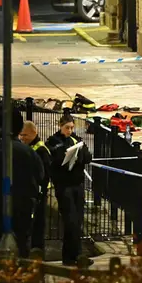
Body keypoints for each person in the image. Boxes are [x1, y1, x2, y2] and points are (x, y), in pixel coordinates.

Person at [0, 108, 45, 258]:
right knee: (22, 245)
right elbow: (40, 175)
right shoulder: (28, 152)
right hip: (24, 206)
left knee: (0, 245)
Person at [46, 114, 93, 266]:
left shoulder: (77, 140)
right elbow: (57, 160)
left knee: (77, 221)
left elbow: (87, 156)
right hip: (63, 186)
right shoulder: (53, 141)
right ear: (60, 126)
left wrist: (79, 156)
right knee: (70, 221)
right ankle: (75, 255)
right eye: (67, 128)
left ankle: (72, 256)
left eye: (72, 128)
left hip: (77, 185)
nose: (70, 130)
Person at [19, 121, 52, 256]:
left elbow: (44, 175)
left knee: (37, 225)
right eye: (21, 135)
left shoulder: (41, 150)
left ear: (34, 133)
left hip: (38, 194)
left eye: (25, 135)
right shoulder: (32, 148)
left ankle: (36, 253)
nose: (22, 138)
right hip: (32, 193)